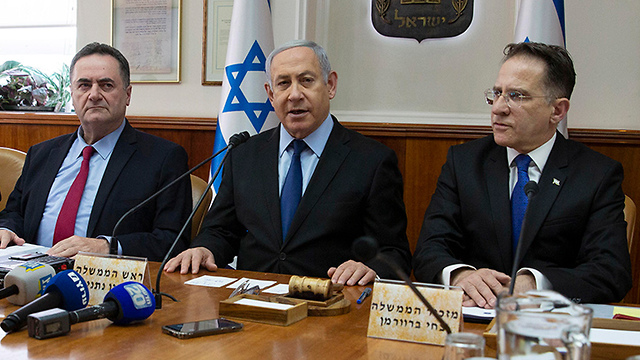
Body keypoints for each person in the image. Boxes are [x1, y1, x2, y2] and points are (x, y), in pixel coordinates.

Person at [165, 40, 411, 285]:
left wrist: (369, 268)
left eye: (306, 80)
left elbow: (394, 253)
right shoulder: (244, 154)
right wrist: (204, 249)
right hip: (251, 303)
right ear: (271, 95)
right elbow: (221, 231)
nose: (294, 95)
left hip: (328, 307)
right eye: (283, 84)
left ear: (331, 85)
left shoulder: (372, 160)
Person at [413, 42, 632, 307]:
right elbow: (429, 249)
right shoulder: (464, 163)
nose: (498, 108)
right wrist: (461, 275)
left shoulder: (596, 174)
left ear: (558, 110)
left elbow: (611, 272)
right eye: (497, 93)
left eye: (516, 96)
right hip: (471, 321)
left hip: (551, 329)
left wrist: (535, 284)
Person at [0, 42, 192, 261]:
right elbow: (14, 213)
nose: (94, 95)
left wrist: (108, 246)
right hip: (30, 275)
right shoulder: (42, 154)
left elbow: (172, 240)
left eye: (106, 85)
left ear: (128, 95)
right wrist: (6, 229)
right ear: (72, 93)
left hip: (107, 281)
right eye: (84, 85)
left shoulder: (163, 158)